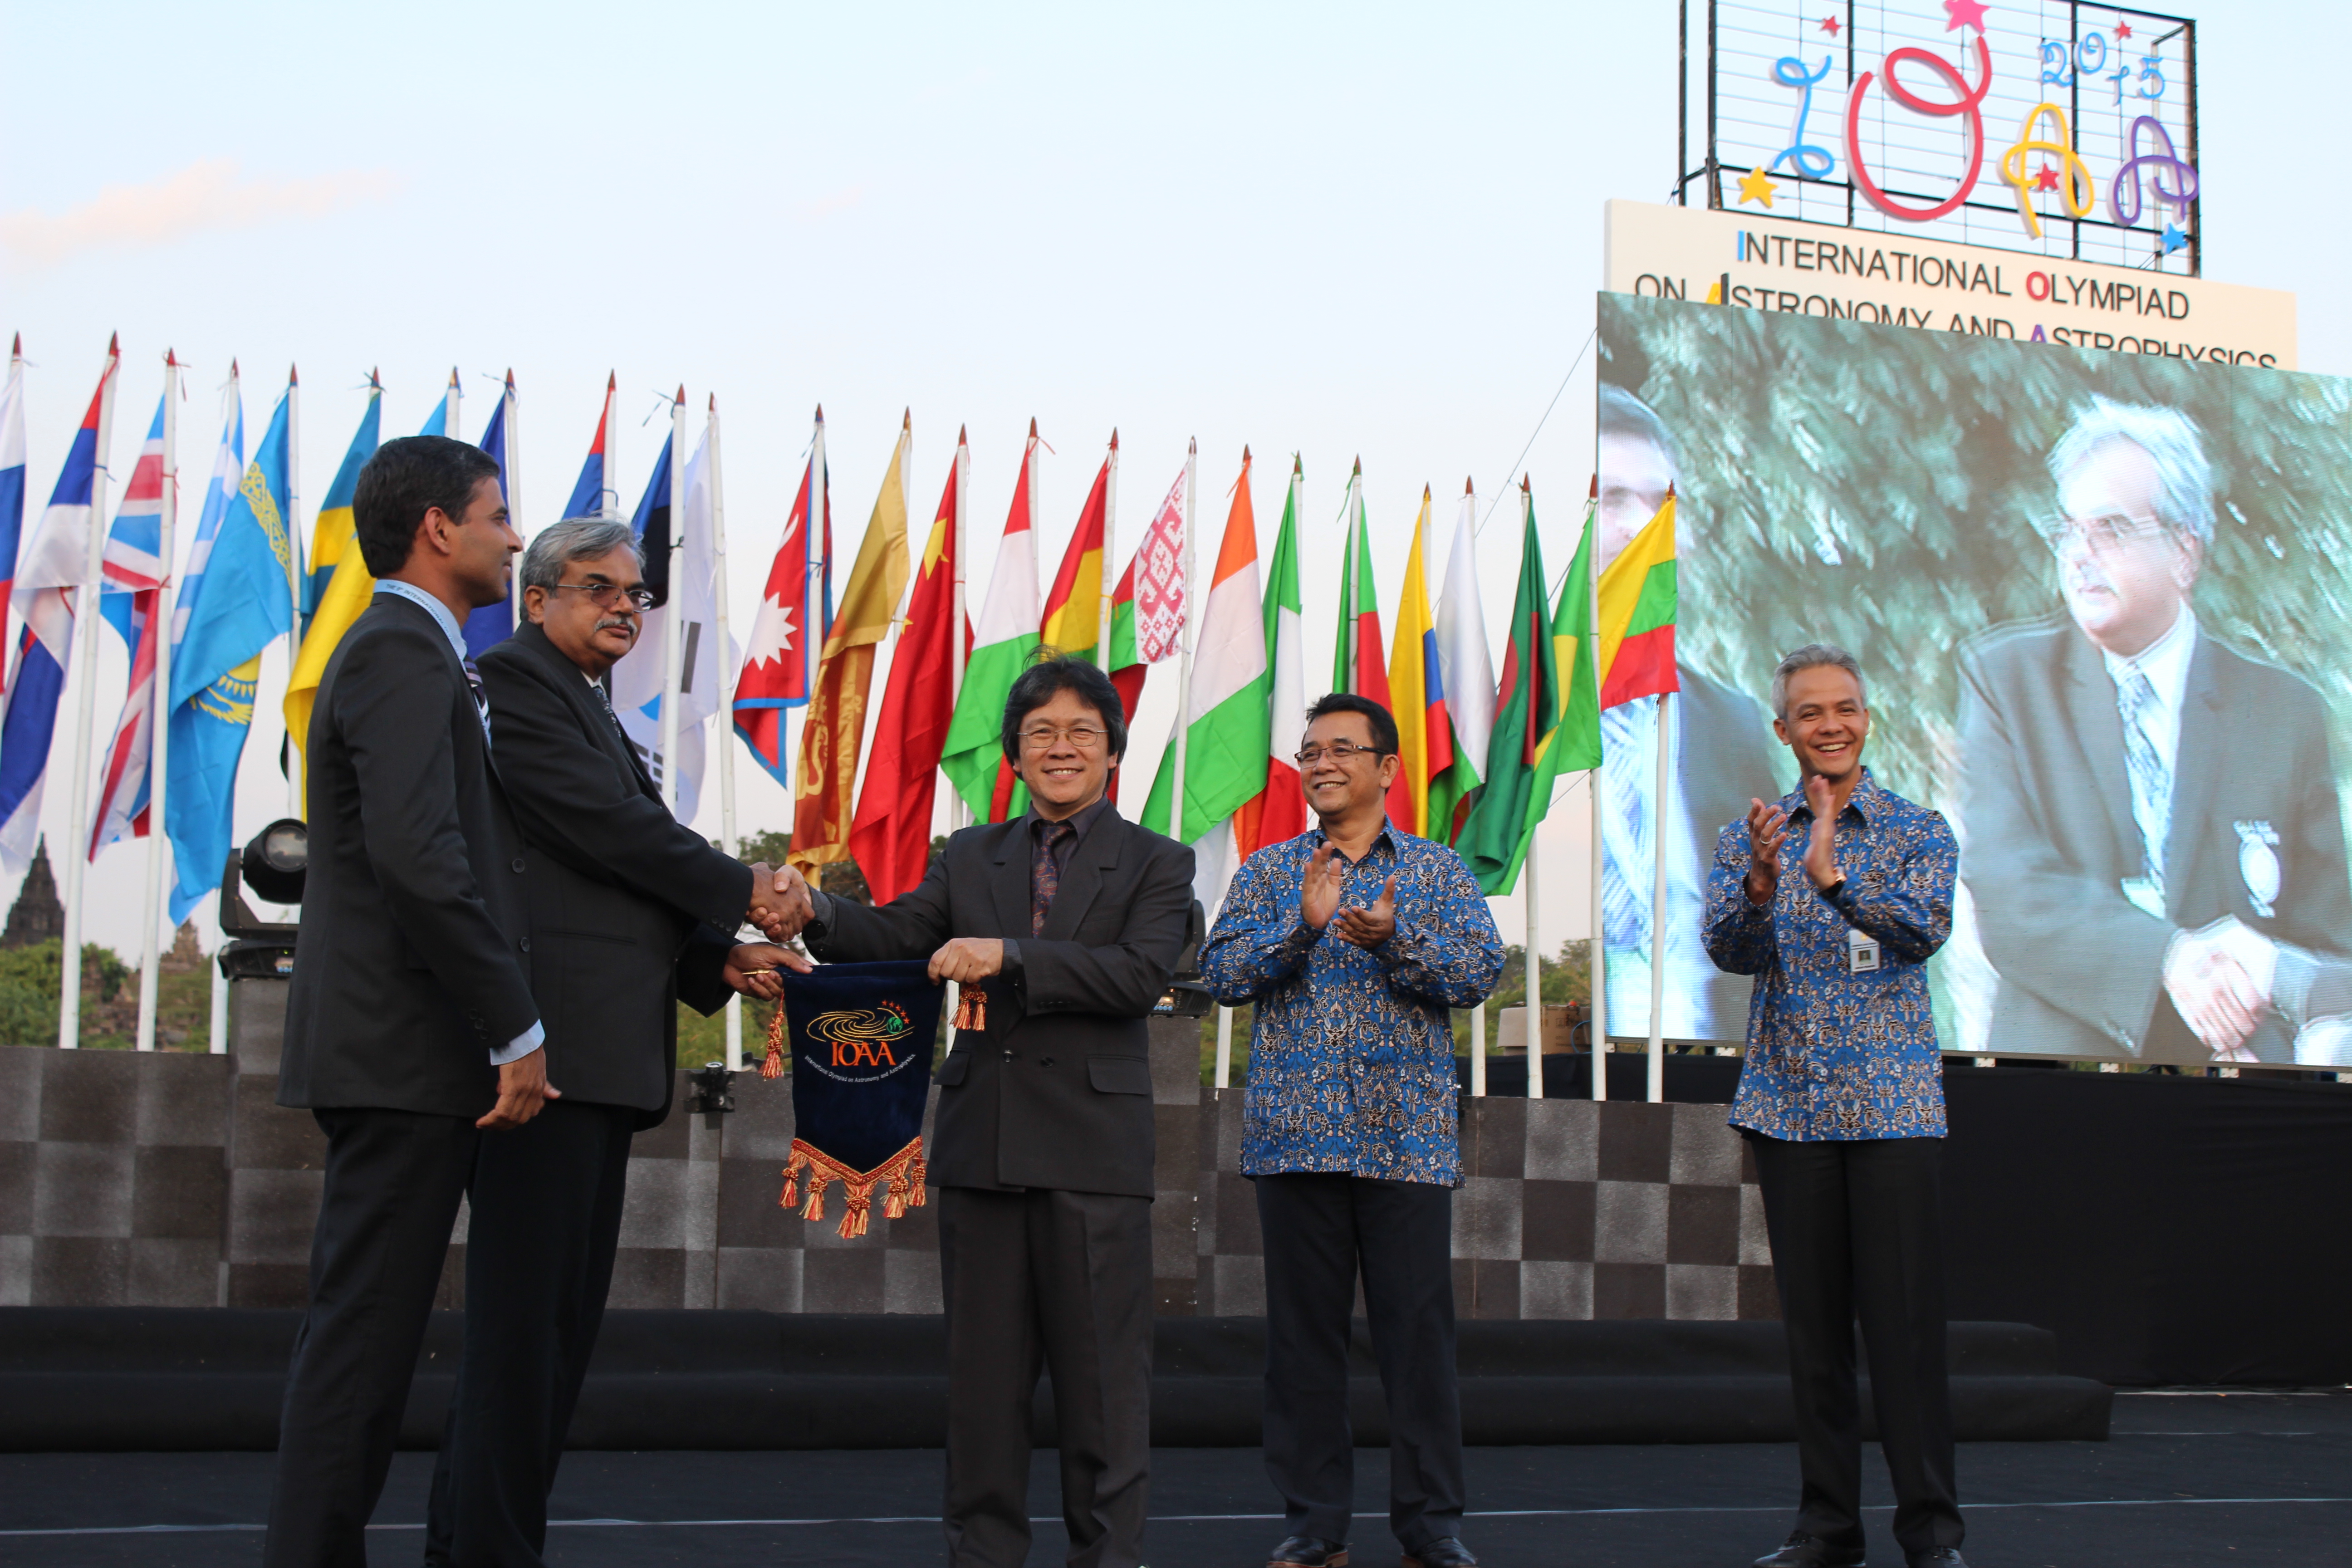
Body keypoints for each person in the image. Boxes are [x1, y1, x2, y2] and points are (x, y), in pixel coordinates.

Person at [424, 517, 806, 1566]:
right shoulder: (512, 685)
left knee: (549, 1341)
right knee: (521, 1341)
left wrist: (710, 958)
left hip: (599, 1059)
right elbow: (601, 827)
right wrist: (746, 890)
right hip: (544, 1056)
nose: (623, 609)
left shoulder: (587, 704)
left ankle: (473, 1547)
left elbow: (611, 873)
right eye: (597, 589)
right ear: (537, 597)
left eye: (636, 595)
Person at [774, 655, 1193, 1568]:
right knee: (983, 1391)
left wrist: (1006, 954)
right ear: (1013, 754)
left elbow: (1140, 975)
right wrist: (815, 910)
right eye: (1040, 732)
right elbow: (896, 935)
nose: (1061, 748)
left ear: (1114, 752)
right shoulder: (970, 855)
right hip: (983, 1152)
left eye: (1082, 731)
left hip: (1094, 1156)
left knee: (1103, 1395)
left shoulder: (1160, 862)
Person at [265, 436, 549, 1567]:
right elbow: (421, 860)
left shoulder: (419, 653)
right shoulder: (398, 650)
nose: (515, 536)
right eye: (498, 514)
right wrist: (515, 1025)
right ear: (439, 528)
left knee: (369, 1349)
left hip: (404, 1057)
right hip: (401, 1057)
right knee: (360, 1353)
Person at [1199, 692, 1504, 1568]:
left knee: (1417, 1339)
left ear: (1387, 768)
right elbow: (1220, 973)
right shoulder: (1266, 871)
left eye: (1340, 748)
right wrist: (1304, 927)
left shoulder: (1439, 873)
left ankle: (1432, 1526)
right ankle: (1314, 1523)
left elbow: (1480, 971)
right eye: (1308, 752)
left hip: (1404, 1141)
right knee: (1304, 1342)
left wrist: (1392, 941)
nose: (1321, 763)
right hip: (1296, 1138)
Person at [1956, 396, 2352, 1063]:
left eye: (2110, 528)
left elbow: (2328, 947)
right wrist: (2168, 960)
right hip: (2059, 1100)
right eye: (2068, 530)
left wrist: (2292, 1028)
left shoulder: (2285, 714)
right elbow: (2008, 890)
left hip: (2239, 1104)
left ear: (2184, 552)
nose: (2080, 555)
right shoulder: (2009, 681)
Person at [1704, 644, 1967, 1568]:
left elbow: (1923, 930)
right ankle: (1827, 1528)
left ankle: (1931, 1532)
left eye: (1846, 708)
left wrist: (1834, 879)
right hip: (1791, 1108)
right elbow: (1729, 951)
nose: (1831, 725)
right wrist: (1765, 885)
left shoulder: (1916, 828)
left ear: (1866, 720)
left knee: (1902, 1335)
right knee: (1815, 1339)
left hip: (1893, 1110)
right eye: (1810, 712)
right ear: (1783, 730)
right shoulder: (1751, 836)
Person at [1597, 382, 1788, 1043]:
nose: (1644, 528)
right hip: (1542, 1054)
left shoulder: (1730, 723)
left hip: (1704, 1060)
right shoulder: (1502, 718)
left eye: (1663, 505)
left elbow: (1766, 914)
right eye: (1613, 498)